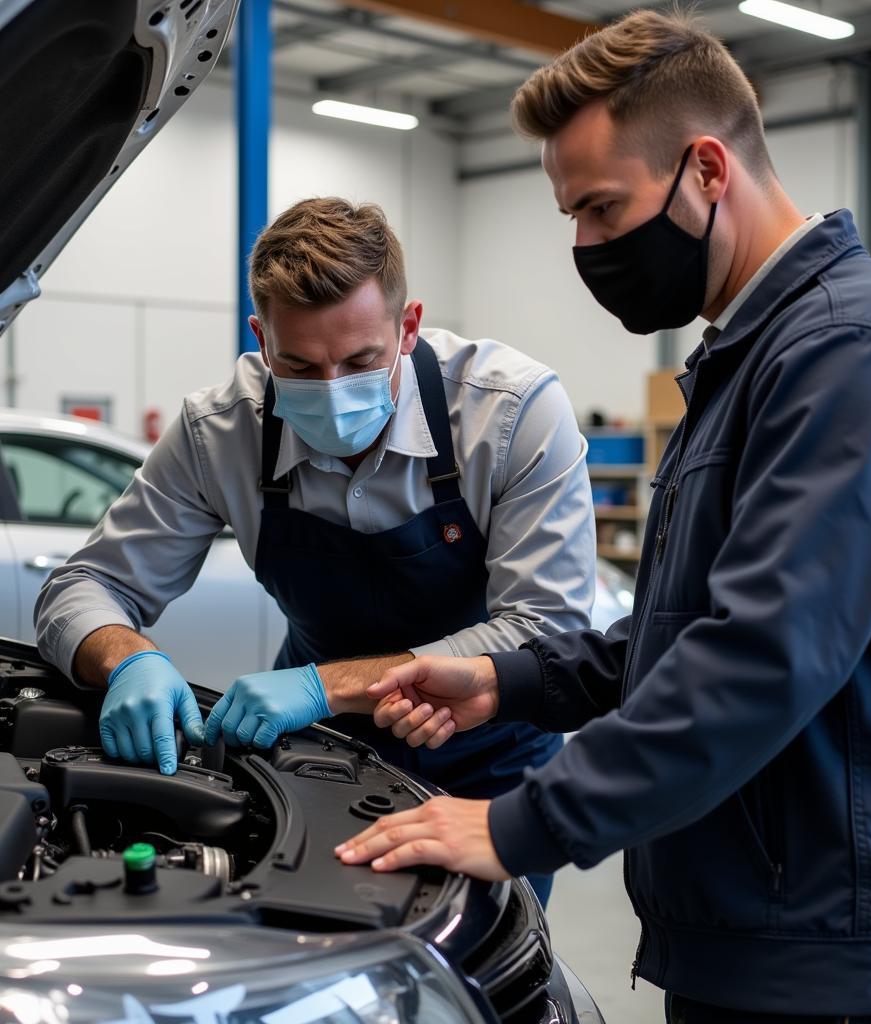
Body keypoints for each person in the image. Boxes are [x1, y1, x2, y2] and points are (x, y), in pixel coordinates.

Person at [335, 11, 871, 1022]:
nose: (586, 246)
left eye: (604, 209)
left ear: (705, 168)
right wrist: (504, 680)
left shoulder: (854, 351)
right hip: (763, 930)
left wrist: (524, 824)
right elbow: (682, 629)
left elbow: (761, 653)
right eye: (571, 215)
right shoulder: (756, 357)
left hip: (843, 954)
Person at [34, 196, 597, 906]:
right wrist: (127, 657)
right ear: (261, 340)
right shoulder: (221, 430)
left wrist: (322, 686)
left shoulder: (509, 412)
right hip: (312, 758)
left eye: (362, 361)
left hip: (488, 756)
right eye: (299, 367)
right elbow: (84, 586)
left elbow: (546, 631)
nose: (332, 394)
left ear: (409, 327)